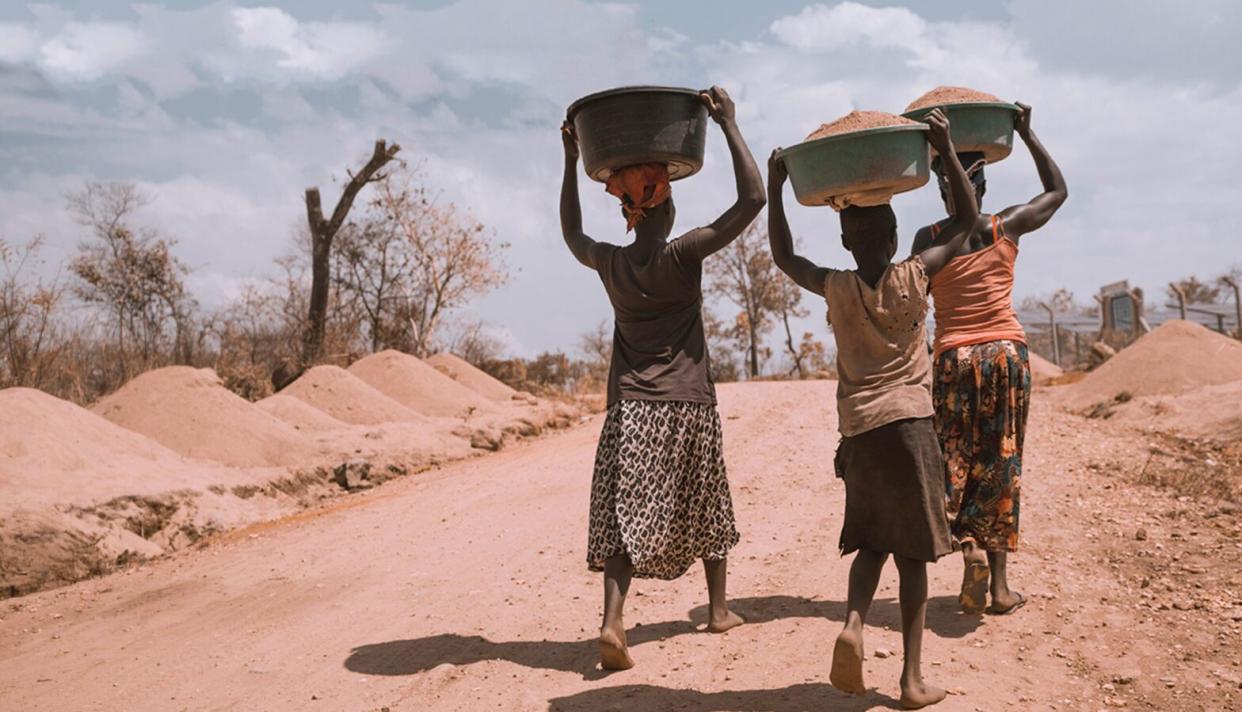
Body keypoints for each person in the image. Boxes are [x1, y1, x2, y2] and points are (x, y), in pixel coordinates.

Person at [768, 109, 974, 709]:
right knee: (912, 556)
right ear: (891, 235)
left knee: (870, 543)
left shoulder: (834, 285)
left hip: (859, 433)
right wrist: (944, 148)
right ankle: (910, 681)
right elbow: (963, 220)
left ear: (845, 240)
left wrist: (780, 190)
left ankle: (854, 623)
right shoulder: (916, 274)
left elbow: (783, 257)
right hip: (911, 426)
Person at [560, 85, 766, 671]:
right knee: (708, 505)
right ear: (666, 210)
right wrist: (728, 123)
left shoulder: (612, 261)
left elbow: (571, 233)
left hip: (631, 409)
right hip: (688, 404)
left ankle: (612, 621)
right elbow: (752, 201)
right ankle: (719, 608)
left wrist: (570, 160)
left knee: (629, 515)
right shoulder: (684, 254)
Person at [909, 102, 1068, 616]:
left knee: (954, 464)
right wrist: (1026, 131)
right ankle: (999, 589)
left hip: (955, 357)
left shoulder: (928, 240)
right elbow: (1058, 191)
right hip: (1007, 355)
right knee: (1002, 464)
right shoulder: (1007, 226)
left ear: (942, 185)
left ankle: (969, 549)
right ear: (983, 186)